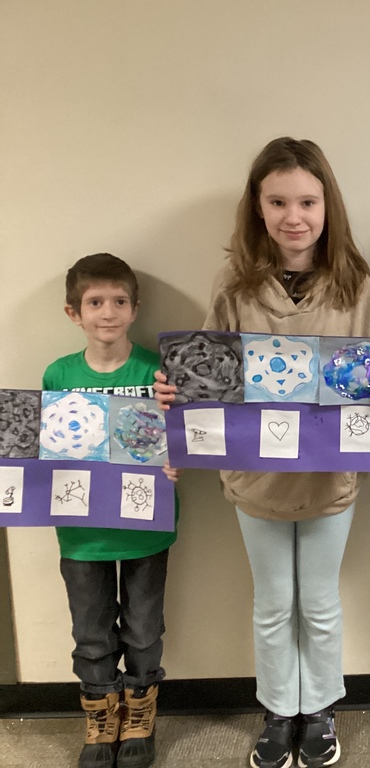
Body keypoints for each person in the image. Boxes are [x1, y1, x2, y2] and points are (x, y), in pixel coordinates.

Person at [156, 137, 370, 768]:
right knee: (272, 603)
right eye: (278, 201)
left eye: (308, 201)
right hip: (256, 478)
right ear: (257, 208)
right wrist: (176, 389)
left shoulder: (358, 286)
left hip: (331, 479)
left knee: (318, 602)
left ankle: (317, 709)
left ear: (329, 206)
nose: (294, 216)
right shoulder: (234, 287)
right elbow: (209, 377)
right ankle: (277, 709)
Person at [45, 253, 179, 768]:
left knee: (144, 627)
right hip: (81, 533)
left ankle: (141, 712)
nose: (108, 312)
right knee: (91, 631)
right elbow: (45, 451)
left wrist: (176, 462)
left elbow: (183, 439)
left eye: (119, 301)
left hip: (146, 527)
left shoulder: (157, 370)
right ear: (72, 313)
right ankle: (101, 717)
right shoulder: (58, 374)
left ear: (135, 307)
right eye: (95, 302)